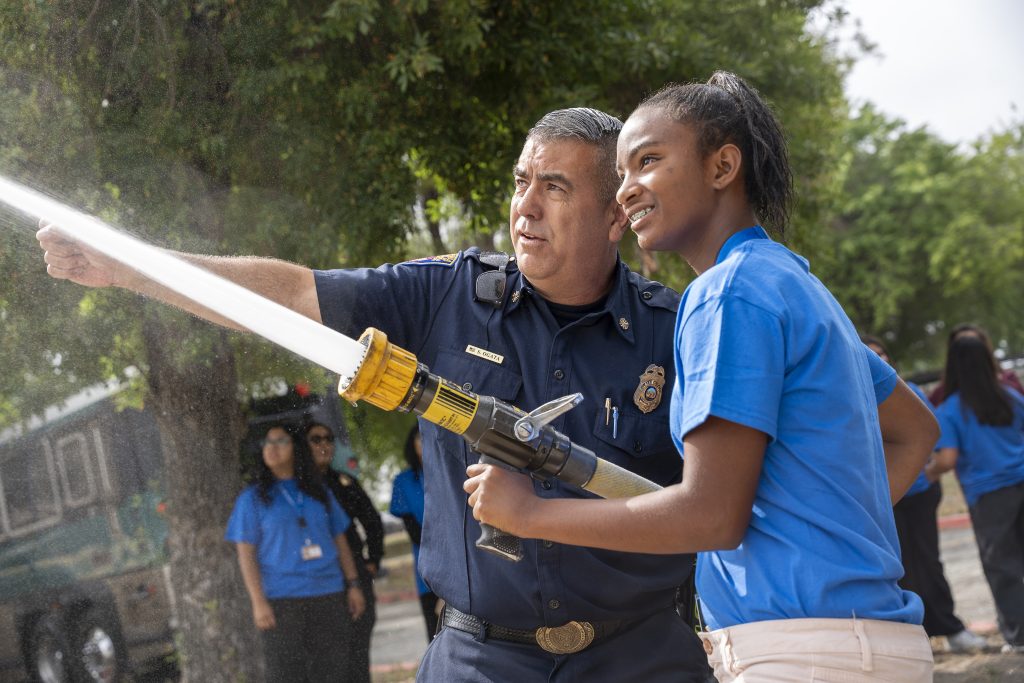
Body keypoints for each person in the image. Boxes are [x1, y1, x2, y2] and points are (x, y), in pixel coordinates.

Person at [38, 106, 712, 680]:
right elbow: (294, 293)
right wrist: (131, 266)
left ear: (616, 214)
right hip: (481, 659)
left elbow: (723, 505)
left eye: (556, 187)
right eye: (520, 181)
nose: (525, 205)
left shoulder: (675, 332)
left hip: (640, 656)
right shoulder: (447, 295)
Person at [464, 72, 940, 681]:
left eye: (649, 161)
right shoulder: (792, 283)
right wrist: (810, 536)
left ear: (723, 167)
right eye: (622, 174)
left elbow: (711, 515)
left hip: (803, 656)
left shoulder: (726, 294)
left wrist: (529, 515)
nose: (627, 190)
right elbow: (916, 431)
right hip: (868, 644)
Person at [862, 334, 988, 654]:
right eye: (871, 355)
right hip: (882, 498)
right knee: (897, 568)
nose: (880, 360)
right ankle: (914, 637)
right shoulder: (850, 396)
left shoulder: (909, 393)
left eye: (883, 354)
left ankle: (949, 627)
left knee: (929, 562)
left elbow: (933, 438)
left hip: (918, 494)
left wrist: (928, 474)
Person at [225, 422, 366, 683]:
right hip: (282, 601)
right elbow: (245, 555)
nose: (272, 448)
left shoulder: (318, 491)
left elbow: (340, 541)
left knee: (333, 672)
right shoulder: (252, 498)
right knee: (286, 675)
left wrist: (354, 584)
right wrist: (258, 602)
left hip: (328, 594)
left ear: (296, 448)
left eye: (280, 441)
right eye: (267, 443)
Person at [929, 334, 1024, 654]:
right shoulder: (1010, 396)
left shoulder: (950, 410)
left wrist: (927, 472)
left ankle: (1019, 636)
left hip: (989, 495)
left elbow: (948, 459)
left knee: (1003, 568)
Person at [306, 419, 384, 683]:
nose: (324, 445)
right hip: (319, 578)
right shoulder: (298, 487)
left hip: (354, 572)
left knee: (358, 648)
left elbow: (372, 522)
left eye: (328, 439)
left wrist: (373, 560)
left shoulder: (343, 483)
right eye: (316, 440)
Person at [390, 424, 441, 641]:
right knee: (435, 630)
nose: (424, 442)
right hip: (427, 562)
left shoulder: (451, 473)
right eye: (419, 438)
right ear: (412, 444)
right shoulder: (403, 482)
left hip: (463, 557)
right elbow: (412, 530)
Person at [928, 323, 1024, 406]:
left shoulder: (1009, 384)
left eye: (975, 346)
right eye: (963, 350)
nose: (971, 356)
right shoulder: (941, 394)